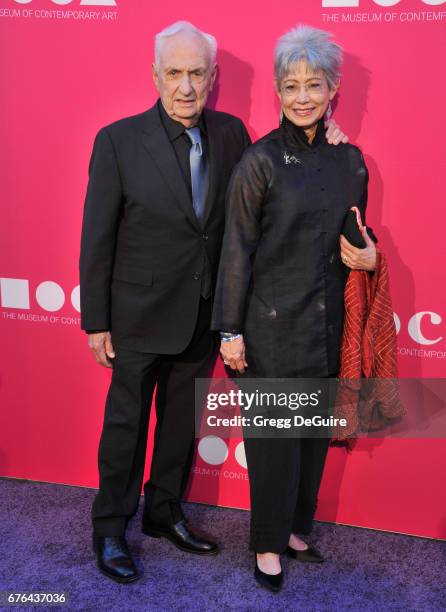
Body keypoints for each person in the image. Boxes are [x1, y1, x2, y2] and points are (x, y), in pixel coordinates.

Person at [80, 21, 348, 583]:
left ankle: (164, 513)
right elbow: (97, 236)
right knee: (126, 425)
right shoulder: (118, 141)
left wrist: (332, 138)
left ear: (213, 78)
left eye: (196, 73)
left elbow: (275, 185)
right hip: (137, 316)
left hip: (201, 314)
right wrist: (96, 321)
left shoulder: (231, 135)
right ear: (155, 75)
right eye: (173, 73)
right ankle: (110, 529)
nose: (185, 85)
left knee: (179, 423)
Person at [211, 25, 377, 592]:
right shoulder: (259, 162)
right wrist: (230, 328)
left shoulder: (351, 160)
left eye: (314, 85)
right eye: (290, 85)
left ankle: (297, 529)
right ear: (278, 93)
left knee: (310, 441)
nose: (302, 96)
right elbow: (236, 246)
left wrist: (372, 252)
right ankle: (266, 544)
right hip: (270, 328)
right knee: (274, 445)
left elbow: (357, 237)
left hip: (327, 323)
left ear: (333, 89)